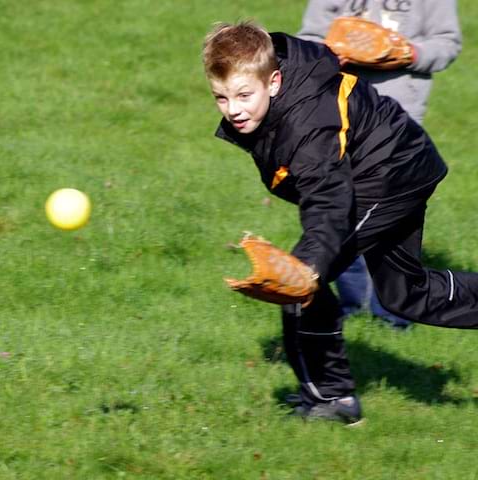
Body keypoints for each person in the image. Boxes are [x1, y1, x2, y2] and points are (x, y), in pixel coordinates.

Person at [202, 21, 477, 425]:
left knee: (297, 285)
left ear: (274, 82)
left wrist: (310, 265)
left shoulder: (306, 124)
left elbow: (329, 197)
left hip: (387, 177)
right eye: (221, 98)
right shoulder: (274, 88)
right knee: (406, 295)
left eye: (244, 95)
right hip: (400, 164)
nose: (234, 109)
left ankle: (333, 399)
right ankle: (328, 393)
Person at [297, 0, 462, 328]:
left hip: (399, 118)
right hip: (340, 113)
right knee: (344, 210)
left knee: (394, 215)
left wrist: (410, 53)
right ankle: (352, 302)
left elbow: (448, 41)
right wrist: (328, 54)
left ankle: (395, 311)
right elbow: (308, 39)